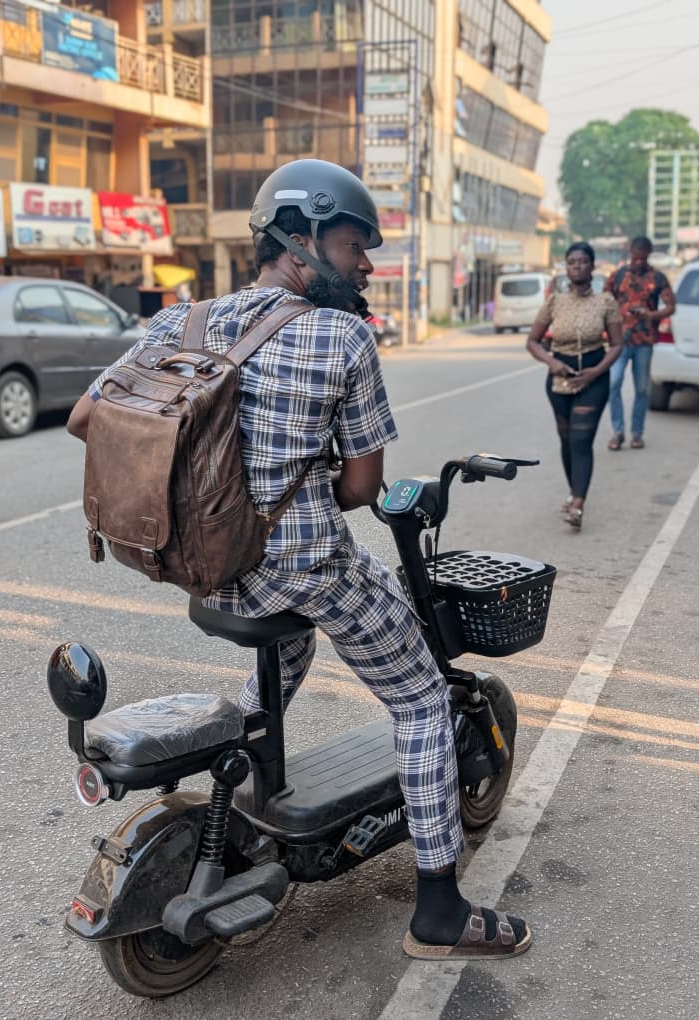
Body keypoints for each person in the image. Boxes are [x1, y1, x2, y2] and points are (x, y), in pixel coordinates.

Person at [67, 159, 530, 960]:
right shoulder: (342, 333)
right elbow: (361, 487)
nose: (366, 265)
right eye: (355, 244)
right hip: (300, 562)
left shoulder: (180, 322)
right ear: (302, 238)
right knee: (420, 696)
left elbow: (86, 417)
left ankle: (246, 755)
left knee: (294, 637)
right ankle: (440, 910)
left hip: (202, 565)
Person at [526, 242, 623, 529]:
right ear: (566, 268)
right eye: (572, 262)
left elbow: (617, 345)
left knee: (581, 439)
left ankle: (578, 503)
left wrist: (595, 372)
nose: (577, 267)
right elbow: (532, 341)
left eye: (582, 262)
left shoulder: (606, 302)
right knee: (566, 438)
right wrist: (552, 363)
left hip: (594, 374)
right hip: (560, 376)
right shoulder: (555, 301)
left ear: (592, 266)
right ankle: (574, 492)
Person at [604, 236, 676, 450]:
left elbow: (671, 306)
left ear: (648, 255)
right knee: (613, 383)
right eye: (635, 258)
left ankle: (637, 433)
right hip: (619, 341)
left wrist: (652, 315)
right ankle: (618, 432)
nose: (638, 262)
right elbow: (604, 303)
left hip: (644, 342)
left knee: (642, 389)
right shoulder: (617, 276)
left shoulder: (658, 278)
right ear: (630, 253)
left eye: (642, 259)